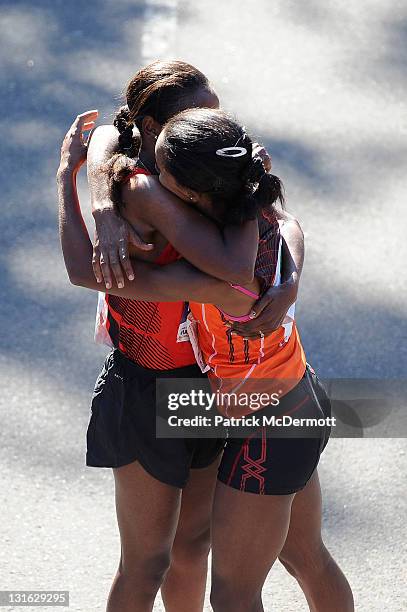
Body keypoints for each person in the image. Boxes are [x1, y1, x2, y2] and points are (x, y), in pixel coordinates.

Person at [57, 107, 354, 612]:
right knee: (306, 555)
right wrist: (293, 278)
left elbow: (91, 274)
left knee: (235, 595)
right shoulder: (254, 208)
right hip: (292, 400)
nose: (153, 184)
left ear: (193, 195)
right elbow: (289, 221)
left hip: (268, 425)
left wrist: (68, 177)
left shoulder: (224, 278)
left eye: (162, 179)